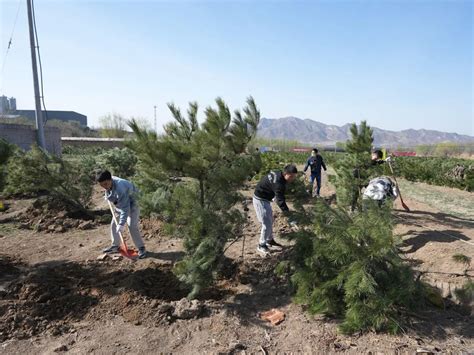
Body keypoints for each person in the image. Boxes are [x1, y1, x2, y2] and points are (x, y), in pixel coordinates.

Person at [97, 170, 147, 259]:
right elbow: (110, 191)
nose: (104, 187)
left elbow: (125, 208)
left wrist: (121, 224)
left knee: (132, 225)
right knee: (114, 224)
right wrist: (109, 196)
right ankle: (115, 246)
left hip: (134, 203)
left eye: (105, 184)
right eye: (102, 185)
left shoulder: (120, 187)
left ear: (110, 179)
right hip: (121, 203)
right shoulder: (109, 182)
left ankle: (141, 248)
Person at [253, 164, 298, 256]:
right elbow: (280, 201)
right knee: (266, 224)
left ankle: (269, 241)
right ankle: (261, 245)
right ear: (286, 174)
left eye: (294, 176)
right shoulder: (279, 184)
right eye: (291, 176)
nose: (293, 178)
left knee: (270, 221)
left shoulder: (279, 173)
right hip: (260, 200)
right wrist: (290, 217)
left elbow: (271, 185)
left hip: (266, 198)